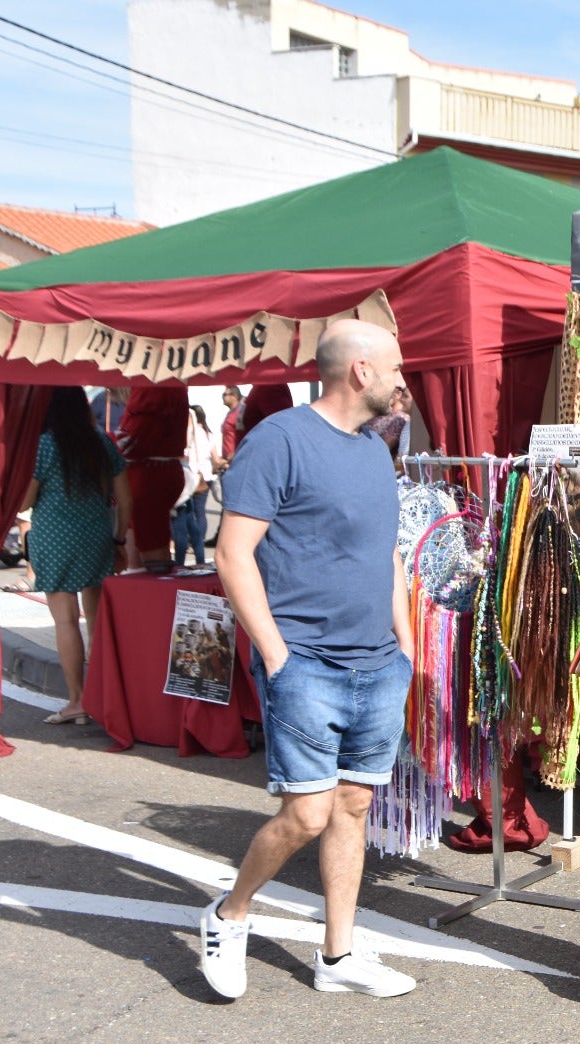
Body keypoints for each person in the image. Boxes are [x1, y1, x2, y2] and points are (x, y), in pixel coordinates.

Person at [202, 319, 415, 1001]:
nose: (402, 379)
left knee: (353, 804)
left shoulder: (372, 449)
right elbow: (232, 554)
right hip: (307, 663)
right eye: (394, 367)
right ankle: (227, 914)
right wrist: (278, 656)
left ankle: (338, 955)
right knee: (307, 815)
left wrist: (405, 646)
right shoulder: (279, 441)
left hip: (377, 664)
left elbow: (387, 556)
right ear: (360, 372)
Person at [19, 387, 132, 724]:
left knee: (65, 621)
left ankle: (77, 701)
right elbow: (125, 499)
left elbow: (25, 502)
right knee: (95, 622)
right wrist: (119, 539)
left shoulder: (43, 446)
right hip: (97, 537)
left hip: (53, 538)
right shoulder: (102, 442)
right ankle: (100, 698)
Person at [118, 386, 190, 569]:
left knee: (152, 547)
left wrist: (102, 442)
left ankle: (147, 593)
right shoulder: (167, 387)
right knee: (143, 539)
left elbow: (132, 441)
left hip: (149, 475)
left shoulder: (152, 388)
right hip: (155, 471)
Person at [172, 404, 215, 565]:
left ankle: (180, 562)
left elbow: (183, 443)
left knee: (181, 521)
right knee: (191, 517)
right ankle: (200, 558)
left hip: (185, 471)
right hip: (191, 471)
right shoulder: (202, 428)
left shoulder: (186, 417)